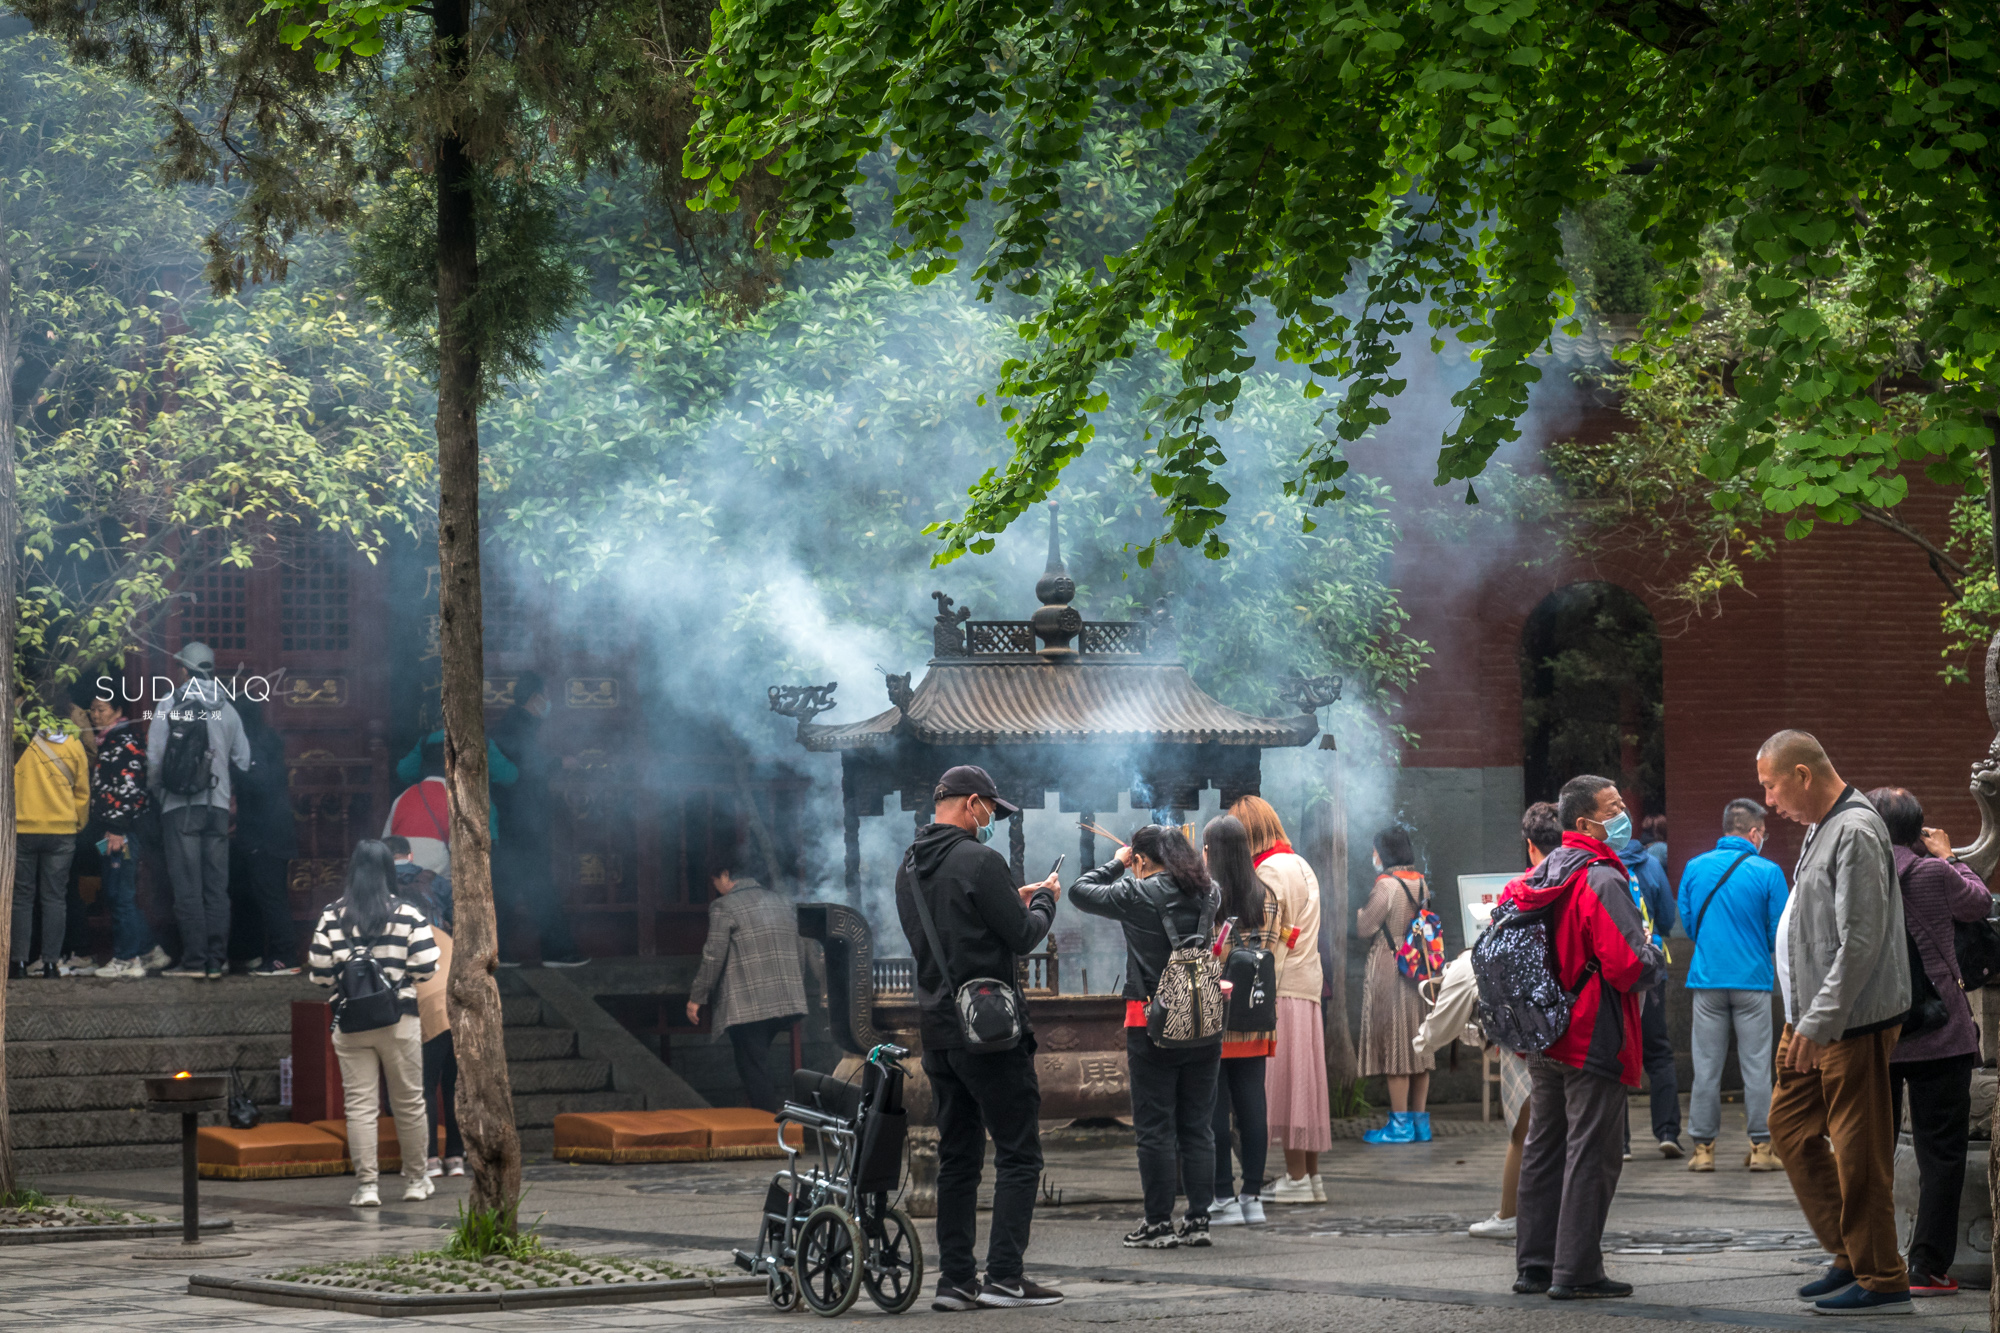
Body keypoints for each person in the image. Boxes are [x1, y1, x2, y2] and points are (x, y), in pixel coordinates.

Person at [894, 765, 1063, 1311]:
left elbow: (952, 924)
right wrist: (1043, 904)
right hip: (990, 1032)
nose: (991, 819)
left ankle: (955, 1282)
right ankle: (1006, 1277)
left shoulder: (910, 867)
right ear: (972, 804)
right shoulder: (980, 859)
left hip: (939, 1033)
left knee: (958, 1159)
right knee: (1018, 1154)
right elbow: (1019, 936)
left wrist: (1008, 896)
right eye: (991, 810)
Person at [1758, 730, 1912, 1315]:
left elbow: (1862, 940)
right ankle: (1850, 1251)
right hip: (1810, 1017)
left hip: (1849, 1021)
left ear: (1802, 773)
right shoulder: (1822, 826)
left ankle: (1881, 1273)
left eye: (1772, 787)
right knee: (1791, 1129)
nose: (1770, 801)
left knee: (1857, 1147)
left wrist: (1819, 1021)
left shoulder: (1855, 828)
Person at [1507, 775, 1664, 1301]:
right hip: (1592, 1031)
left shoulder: (1545, 870)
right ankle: (1576, 1271)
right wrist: (1653, 957)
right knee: (1591, 1152)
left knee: (1544, 1147)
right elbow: (1626, 964)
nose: (1625, 814)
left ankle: (1535, 1264)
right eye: (1614, 807)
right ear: (1584, 823)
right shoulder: (1600, 877)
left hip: (1543, 1032)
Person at [1072, 823, 1223, 1250]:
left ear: (1140, 860)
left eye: (1135, 860)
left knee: (1155, 1126)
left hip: (1150, 1022)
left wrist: (1116, 864)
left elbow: (1081, 891)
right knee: (1198, 1126)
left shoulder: (1136, 892)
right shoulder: (1211, 892)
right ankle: (1198, 1221)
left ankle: (1158, 1222)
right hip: (1204, 1020)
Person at [1868, 786, 1987, 1297]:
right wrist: (1950, 855)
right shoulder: (1935, 873)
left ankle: (1870, 1257)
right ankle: (1927, 1267)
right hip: (1941, 1029)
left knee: (1871, 1148)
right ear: (1917, 829)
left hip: (1878, 1031)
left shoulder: (1856, 875)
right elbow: (1979, 903)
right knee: (1943, 1152)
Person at [307, 839, 439, 1208]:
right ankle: (416, 1180)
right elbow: (428, 966)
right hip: (400, 1020)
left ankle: (367, 1187)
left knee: (360, 1107)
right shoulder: (408, 913)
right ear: (388, 871)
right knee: (410, 1102)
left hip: (351, 1023)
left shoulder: (332, 915)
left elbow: (318, 974)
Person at [1462, 800, 1561, 1241]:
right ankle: (1560, 1217)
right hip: (1570, 1019)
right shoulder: (1584, 881)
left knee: (1524, 1129)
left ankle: (1510, 1215)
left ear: (1529, 845)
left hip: (1525, 1026)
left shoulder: (1518, 889)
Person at [1676, 798, 1787, 1174]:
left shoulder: (1694, 867)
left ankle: (1703, 1150)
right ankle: (1760, 1148)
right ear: (1754, 833)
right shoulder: (1769, 872)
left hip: (1706, 979)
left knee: (1706, 1067)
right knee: (1756, 1068)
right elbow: (1779, 933)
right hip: (1753, 982)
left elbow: (1689, 926)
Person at [1227, 795, 1327, 1205]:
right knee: (1304, 1082)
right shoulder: (1299, 863)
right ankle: (1309, 1177)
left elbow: (1264, 940)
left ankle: (1297, 1178)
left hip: (1280, 986)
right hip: (1307, 984)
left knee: (1285, 1086)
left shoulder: (1267, 870)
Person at [146, 641, 251, 979]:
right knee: (215, 887)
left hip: (179, 808)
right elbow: (243, 760)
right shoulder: (226, 708)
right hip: (217, 807)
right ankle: (215, 961)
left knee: (187, 886)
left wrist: (160, 794)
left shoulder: (170, 702)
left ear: (183, 670)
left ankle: (193, 962)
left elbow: (154, 759)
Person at [686, 857, 810, 1113]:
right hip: (787, 998)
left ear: (725, 874)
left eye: (714, 882)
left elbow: (713, 955)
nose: (715, 888)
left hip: (750, 1003)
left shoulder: (724, 906)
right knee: (758, 1061)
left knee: (752, 1066)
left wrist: (697, 997)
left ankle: (768, 1128)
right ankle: (765, 1121)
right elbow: (801, 948)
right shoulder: (782, 902)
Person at [1204, 815, 1278, 1227]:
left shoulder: (1208, 897)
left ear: (1211, 852)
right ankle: (1253, 1196)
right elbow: (1276, 955)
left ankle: (1222, 1197)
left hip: (1215, 1014)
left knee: (1214, 1107)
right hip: (1257, 1011)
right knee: (1253, 1105)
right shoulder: (1267, 895)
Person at [487, 673, 586, 967]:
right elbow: (525, 768)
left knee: (507, 888)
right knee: (537, 885)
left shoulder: (515, 724)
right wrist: (561, 763)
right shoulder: (517, 727)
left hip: (514, 821)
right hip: (520, 820)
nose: (550, 703)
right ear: (535, 698)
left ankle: (499, 953)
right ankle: (557, 952)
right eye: (547, 696)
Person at [1356, 825, 1435, 1144]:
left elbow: (1365, 927)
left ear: (1384, 852)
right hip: (1420, 966)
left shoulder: (1386, 886)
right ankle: (1420, 1124)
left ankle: (1399, 1126)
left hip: (1391, 966)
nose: (1373, 856)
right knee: (1419, 1042)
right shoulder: (1421, 883)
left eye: (1375, 850)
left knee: (1396, 1046)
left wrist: (1362, 911)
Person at [81, 694, 161, 979]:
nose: (94, 715)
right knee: (118, 892)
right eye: (92, 709)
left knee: (119, 893)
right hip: (112, 830)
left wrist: (117, 828)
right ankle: (150, 950)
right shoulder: (109, 739)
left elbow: (130, 789)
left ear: (118, 711)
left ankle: (127, 958)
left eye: (101, 709)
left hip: (121, 831)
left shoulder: (124, 741)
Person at [10, 708, 91, 979]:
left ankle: (18, 962)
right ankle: (50, 963)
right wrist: (77, 823)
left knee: (22, 898)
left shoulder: (20, 741)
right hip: (61, 831)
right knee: (55, 898)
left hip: (23, 829)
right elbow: (82, 791)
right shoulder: (73, 742)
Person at [1618, 819, 1681, 1158]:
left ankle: (1621, 1142)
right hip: (1651, 971)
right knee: (1658, 1051)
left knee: (1615, 1055)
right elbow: (1669, 920)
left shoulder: (1598, 866)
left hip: (1613, 974)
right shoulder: (1653, 865)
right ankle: (1668, 1132)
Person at [230, 698, 301, 976]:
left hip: (265, 835)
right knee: (262, 895)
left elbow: (259, 783)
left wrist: (232, 768)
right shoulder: (265, 737)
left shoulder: (254, 742)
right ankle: (257, 952)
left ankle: (285, 957)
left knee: (271, 897)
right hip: (271, 831)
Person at [410, 860, 464, 1181]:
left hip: (431, 1012)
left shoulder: (408, 936)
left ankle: (431, 1158)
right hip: (459, 1012)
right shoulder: (445, 935)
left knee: (426, 1087)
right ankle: (455, 1157)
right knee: (453, 1086)